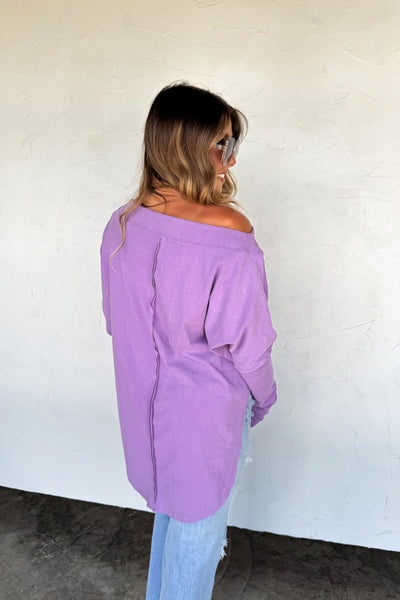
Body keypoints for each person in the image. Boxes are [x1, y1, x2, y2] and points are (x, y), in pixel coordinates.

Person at [100, 82, 277, 600]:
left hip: (146, 412)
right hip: (207, 415)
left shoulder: (124, 222)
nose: (231, 160)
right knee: (196, 543)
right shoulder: (229, 232)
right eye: (222, 145)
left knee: (172, 524)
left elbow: (115, 320)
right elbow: (250, 346)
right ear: (186, 145)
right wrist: (265, 398)